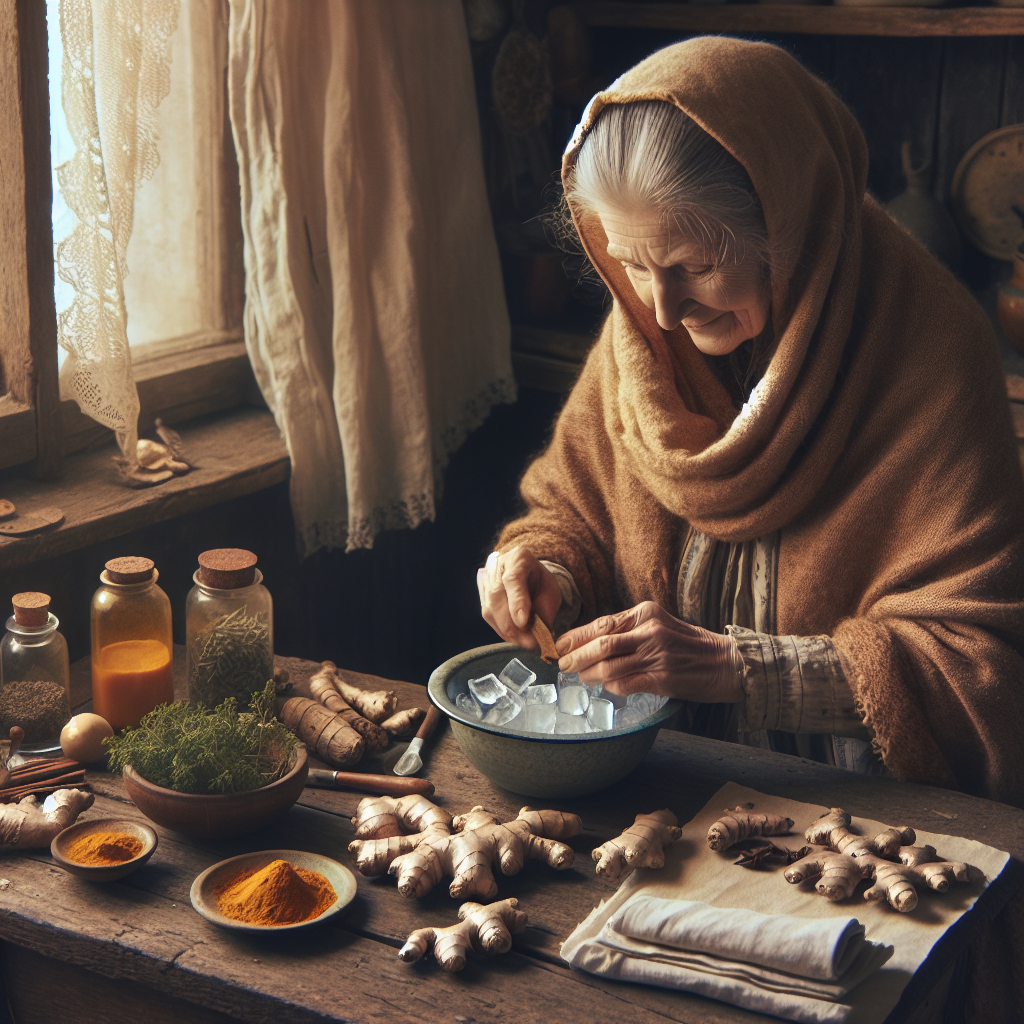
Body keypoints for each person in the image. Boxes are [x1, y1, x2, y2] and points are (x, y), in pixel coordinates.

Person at [476, 37, 1024, 808]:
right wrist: (546, 571)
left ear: (789, 223)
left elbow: (978, 664)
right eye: (633, 264)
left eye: (696, 266)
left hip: (861, 822)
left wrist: (739, 667)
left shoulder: (933, 352)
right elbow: (572, 513)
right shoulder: (644, 334)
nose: (662, 309)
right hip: (655, 795)